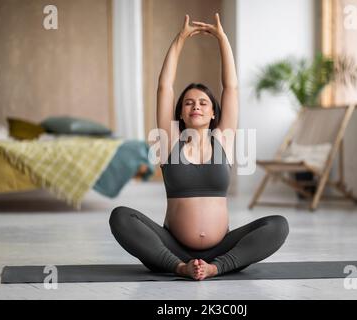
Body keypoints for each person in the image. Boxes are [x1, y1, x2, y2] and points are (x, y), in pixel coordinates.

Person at [109, 13, 289, 280]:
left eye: (203, 102)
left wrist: (222, 39)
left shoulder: (223, 140)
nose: (196, 106)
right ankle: (180, 267)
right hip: (172, 248)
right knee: (120, 217)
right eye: (189, 103)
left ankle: (216, 267)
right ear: (180, 113)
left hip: (221, 249)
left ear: (213, 113)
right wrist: (180, 39)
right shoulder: (169, 141)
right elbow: (164, 87)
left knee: (278, 225)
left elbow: (231, 88)